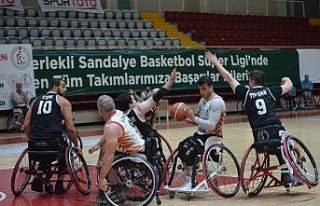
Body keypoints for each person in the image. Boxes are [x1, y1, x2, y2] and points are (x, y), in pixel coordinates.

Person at [204, 51, 296, 186]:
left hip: (259, 138)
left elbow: (229, 78)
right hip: (276, 131)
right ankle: (291, 174)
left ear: (252, 81)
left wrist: (216, 63)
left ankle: (286, 174)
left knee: (276, 145)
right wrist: (286, 78)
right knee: (289, 144)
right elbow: (289, 85)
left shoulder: (246, 93)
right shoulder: (271, 91)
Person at [24, 78, 80, 194]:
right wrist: (76, 145)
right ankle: (59, 183)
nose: (65, 89)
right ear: (55, 87)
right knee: (64, 149)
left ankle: (39, 179)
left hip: (35, 143)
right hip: (53, 142)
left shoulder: (35, 101)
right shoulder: (63, 102)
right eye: (63, 86)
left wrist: (30, 138)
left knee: (46, 151)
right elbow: (70, 128)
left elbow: (26, 124)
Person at [90, 95, 150, 200]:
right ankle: (116, 185)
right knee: (105, 149)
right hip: (142, 146)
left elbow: (109, 157)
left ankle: (117, 189)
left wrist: (101, 179)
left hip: (134, 153)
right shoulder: (118, 113)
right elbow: (109, 135)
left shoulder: (111, 126)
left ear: (100, 110)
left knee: (105, 162)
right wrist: (99, 144)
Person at [175, 75, 226, 190]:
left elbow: (211, 125)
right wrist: (185, 118)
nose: (201, 92)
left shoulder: (217, 102)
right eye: (200, 89)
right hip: (200, 135)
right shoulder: (202, 101)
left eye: (204, 88)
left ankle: (190, 180)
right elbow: (199, 121)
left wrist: (194, 118)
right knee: (181, 146)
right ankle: (189, 179)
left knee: (188, 149)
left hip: (212, 137)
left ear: (211, 87)